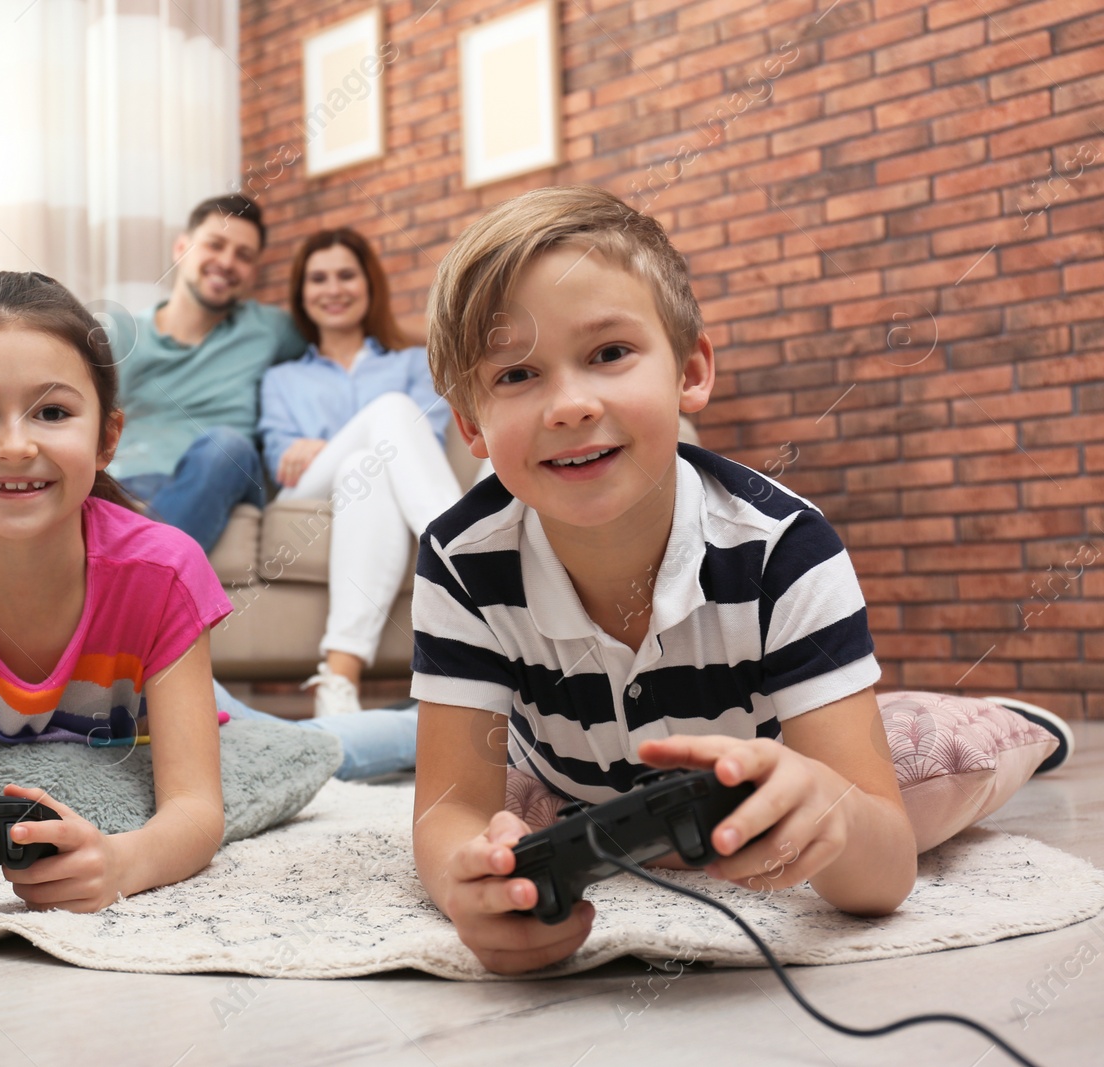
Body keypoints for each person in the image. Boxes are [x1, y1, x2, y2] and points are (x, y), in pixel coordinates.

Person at [407, 185, 1073, 975]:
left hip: (778, 750)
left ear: (691, 371)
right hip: (572, 774)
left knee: (922, 764)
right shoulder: (459, 559)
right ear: (473, 425)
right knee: (517, 818)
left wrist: (833, 816)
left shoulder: (787, 548)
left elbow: (885, 873)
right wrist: (471, 886)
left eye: (609, 354)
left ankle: (1019, 723)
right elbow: (447, 810)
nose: (571, 404)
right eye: (517, 374)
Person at [0, 271, 416, 919]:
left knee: (321, 746)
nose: (15, 445)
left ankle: (422, 724)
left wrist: (122, 862)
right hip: (94, 709)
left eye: (53, 411)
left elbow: (194, 809)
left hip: (171, 700)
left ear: (107, 437)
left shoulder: (164, 572)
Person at [258, 229, 462, 717]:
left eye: (346, 275)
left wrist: (340, 446)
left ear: (368, 284)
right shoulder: (282, 378)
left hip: (370, 486)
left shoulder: (413, 362)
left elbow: (421, 443)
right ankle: (467, 554)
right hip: (306, 497)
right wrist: (326, 445)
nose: (333, 289)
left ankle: (338, 681)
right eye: (319, 278)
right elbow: (282, 460)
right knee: (389, 411)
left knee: (360, 466)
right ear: (302, 294)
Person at [108, 195, 308, 553]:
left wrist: (438, 330)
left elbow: (360, 329)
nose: (227, 262)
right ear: (181, 248)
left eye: (244, 256)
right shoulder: (123, 335)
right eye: (215, 245)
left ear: (253, 274)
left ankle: (143, 571)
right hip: (129, 484)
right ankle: (146, 561)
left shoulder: (268, 330)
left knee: (226, 445)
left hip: (224, 472)